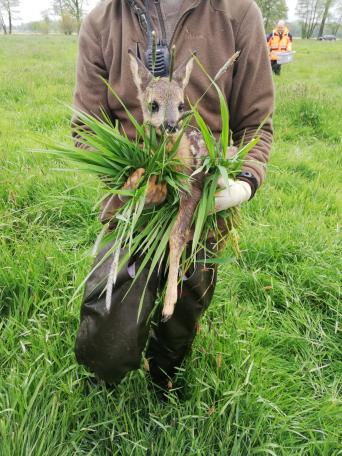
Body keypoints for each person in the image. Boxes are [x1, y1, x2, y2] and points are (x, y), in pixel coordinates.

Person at [72, 0, 274, 394]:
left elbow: (257, 123)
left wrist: (243, 183)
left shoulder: (236, 13)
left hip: (201, 200)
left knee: (183, 308)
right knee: (108, 331)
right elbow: (87, 128)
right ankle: (102, 378)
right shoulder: (102, 21)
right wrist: (128, 179)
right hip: (133, 205)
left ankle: (164, 370)